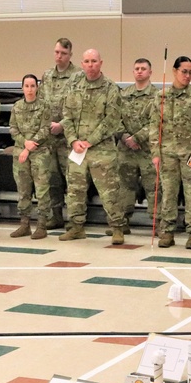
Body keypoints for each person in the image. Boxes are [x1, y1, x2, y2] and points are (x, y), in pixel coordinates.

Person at [59, 48, 126, 244]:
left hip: (101, 149)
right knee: (75, 190)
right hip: (78, 148)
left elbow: (112, 120)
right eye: (87, 61)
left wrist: (91, 140)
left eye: (94, 61)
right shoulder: (74, 85)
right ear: (82, 63)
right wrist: (73, 140)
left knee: (109, 191)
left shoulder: (110, 88)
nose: (90, 65)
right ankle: (77, 227)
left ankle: (117, 228)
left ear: (101, 63)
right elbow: (67, 116)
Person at [150, 56, 191, 249]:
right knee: (168, 193)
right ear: (174, 71)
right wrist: (155, 153)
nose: (188, 76)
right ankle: (167, 231)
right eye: (184, 71)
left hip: (189, 154)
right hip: (167, 154)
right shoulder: (161, 96)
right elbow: (154, 126)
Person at [38, 37, 79, 229]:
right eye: (56, 52)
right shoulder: (47, 76)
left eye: (63, 53)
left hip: (69, 137)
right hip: (49, 138)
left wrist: (62, 125)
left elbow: (79, 107)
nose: (59, 56)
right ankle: (56, 215)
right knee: (52, 179)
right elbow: (40, 104)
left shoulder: (78, 75)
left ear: (70, 55)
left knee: (73, 179)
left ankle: (75, 218)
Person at [8, 74, 52, 239]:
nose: (30, 89)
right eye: (26, 86)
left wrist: (30, 145)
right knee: (23, 190)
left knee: (42, 190)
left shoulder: (44, 106)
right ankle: (24, 224)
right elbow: (13, 128)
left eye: (33, 86)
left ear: (37, 87)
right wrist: (24, 143)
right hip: (21, 153)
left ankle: (41, 225)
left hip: (39, 153)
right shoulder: (17, 107)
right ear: (22, 88)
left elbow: (45, 129)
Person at [117, 58, 157, 235]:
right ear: (133, 72)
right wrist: (125, 137)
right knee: (125, 187)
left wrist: (138, 138)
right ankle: (122, 221)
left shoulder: (158, 95)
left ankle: (159, 223)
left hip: (148, 150)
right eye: (136, 69)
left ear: (150, 72)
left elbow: (157, 122)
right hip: (126, 150)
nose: (139, 71)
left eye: (143, 68)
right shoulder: (124, 95)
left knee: (154, 187)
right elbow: (114, 119)